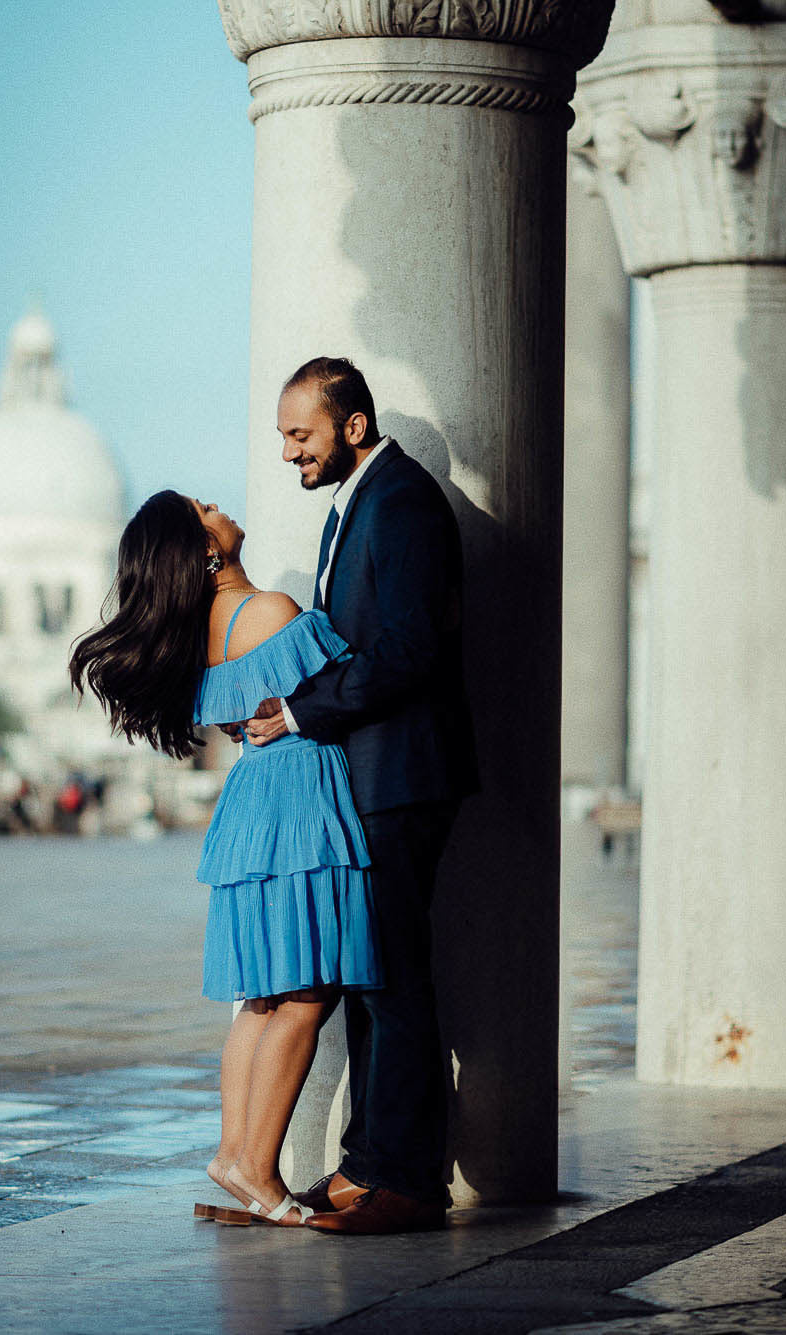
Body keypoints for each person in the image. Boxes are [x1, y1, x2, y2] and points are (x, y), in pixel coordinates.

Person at [69, 489, 380, 1228]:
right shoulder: (267, 612)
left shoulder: (200, 637)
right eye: (202, 509)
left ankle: (234, 1151)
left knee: (264, 996)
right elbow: (352, 676)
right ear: (205, 551)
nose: (218, 504)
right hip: (298, 799)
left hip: (250, 808)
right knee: (307, 994)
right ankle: (258, 1165)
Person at [238, 356, 477, 1235]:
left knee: (394, 981)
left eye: (300, 434)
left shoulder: (402, 500)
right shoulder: (364, 502)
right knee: (373, 974)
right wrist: (271, 703)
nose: (290, 453)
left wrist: (300, 710)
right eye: (283, 438)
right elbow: (353, 641)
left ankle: (408, 1180)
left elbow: (410, 649)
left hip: (404, 776)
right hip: (376, 777)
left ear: (351, 425)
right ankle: (370, 1164)